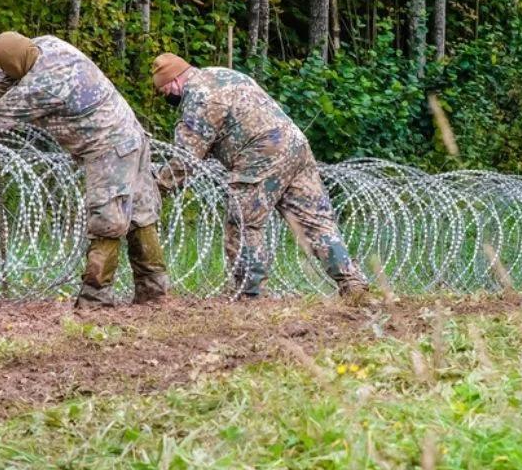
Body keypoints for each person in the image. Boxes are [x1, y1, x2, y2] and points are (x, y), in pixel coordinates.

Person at [0, 32, 171, 308]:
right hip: (130, 134)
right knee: (139, 214)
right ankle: (153, 292)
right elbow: (4, 71)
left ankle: (96, 298)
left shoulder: (43, 85)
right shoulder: (47, 44)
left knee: (107, 221)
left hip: (108, 146)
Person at [150, 54, 371, 301]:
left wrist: (158, 185)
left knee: (243, 221)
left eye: (164, 90)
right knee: (315, 221)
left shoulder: (199, 98)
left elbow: (186, 158)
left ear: (174, 80)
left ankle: (248, 291)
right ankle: (352, 282)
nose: (165, 96)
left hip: (262, 152)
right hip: (295, 145)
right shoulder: (222, 74)